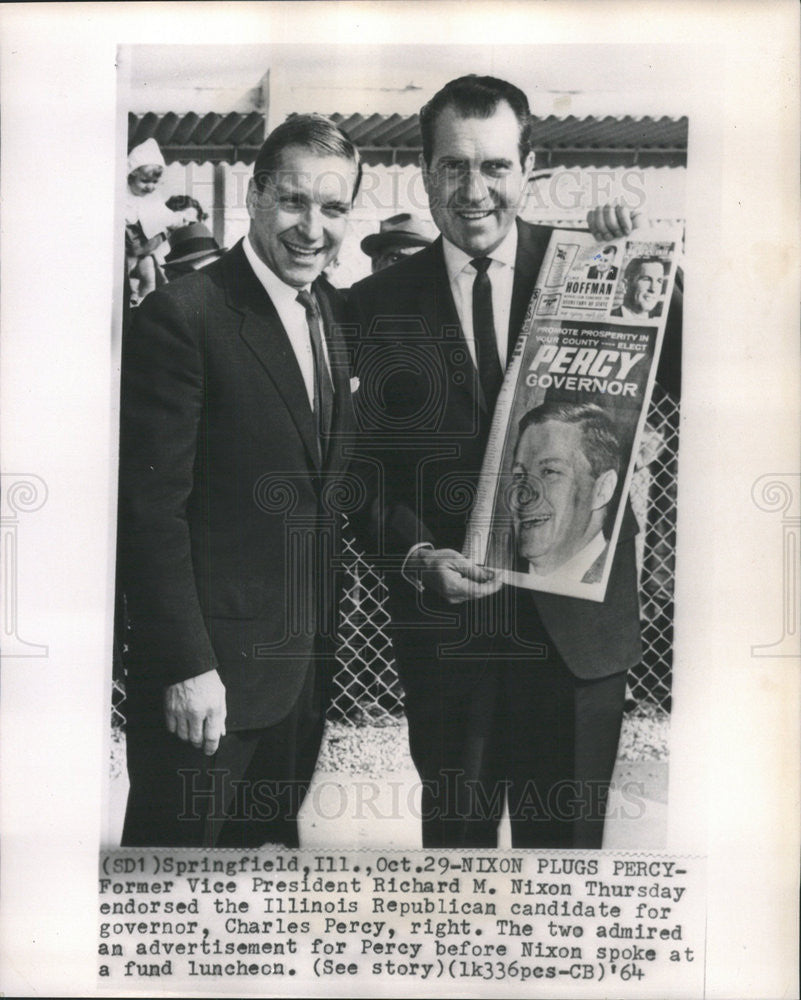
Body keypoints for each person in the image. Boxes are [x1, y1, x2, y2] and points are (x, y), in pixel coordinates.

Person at [347, 74, 682, 848]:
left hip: (574, 635)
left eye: (494, 167)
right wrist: (417, 556)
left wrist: (648, 268)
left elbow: (699, 364)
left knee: (563, 869)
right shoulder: (374, 306)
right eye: (453, 167)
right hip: (451, 636)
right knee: (457, 870)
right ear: (424, 171)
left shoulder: (594, 266)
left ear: (527, 167)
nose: (474, 191)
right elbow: (358, 478)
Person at [117, 114, 363, 848]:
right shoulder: (182, 316)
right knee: (167, 904)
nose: (311, 228)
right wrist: (189, 667)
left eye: (333, 208)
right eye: (293, 201)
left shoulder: (330, 313)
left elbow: (336, 481)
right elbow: (150, 513)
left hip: (301, 679)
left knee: (255, 901)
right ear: (255, 196)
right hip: (207, 691)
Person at [510, 402, 620, 584]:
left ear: (602, 490)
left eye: (549, 472)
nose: (524, 495)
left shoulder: (620, 581)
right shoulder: (495, 576)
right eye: (519, 475)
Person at [125, 138, 192, 304]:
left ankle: (143, 301)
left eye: (154, 182)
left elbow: (166, 215)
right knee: (123, 273)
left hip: (145, 249)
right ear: (131, 174)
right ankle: (130, 294)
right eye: (145, 181)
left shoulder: (153, 199)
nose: (150, 187)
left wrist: (181, 219)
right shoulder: (124, 197)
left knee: (149, 276)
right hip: (128, 248)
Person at [360, 212, 436, 273]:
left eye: (417, 262)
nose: (408, 269)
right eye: (396, 259)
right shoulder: (362, 291)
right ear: (375, 264)